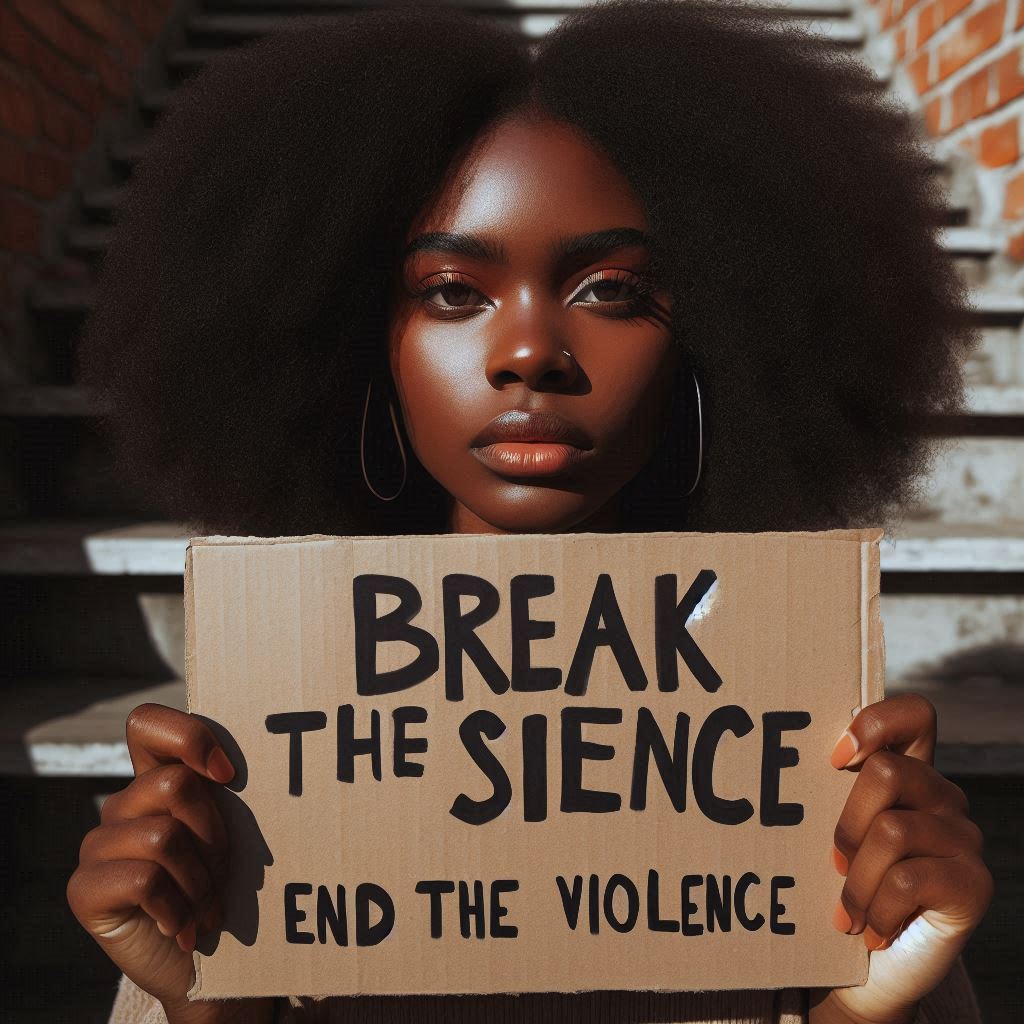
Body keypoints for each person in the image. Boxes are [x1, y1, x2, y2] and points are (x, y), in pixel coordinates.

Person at [67, 2, 993, 1022]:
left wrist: (878, 1001)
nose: (529, 352)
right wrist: (206, 999)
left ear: (716, 334)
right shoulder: (274, 731)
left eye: (610, 290)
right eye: (454, 292)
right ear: (353, 342)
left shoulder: (802, 732)